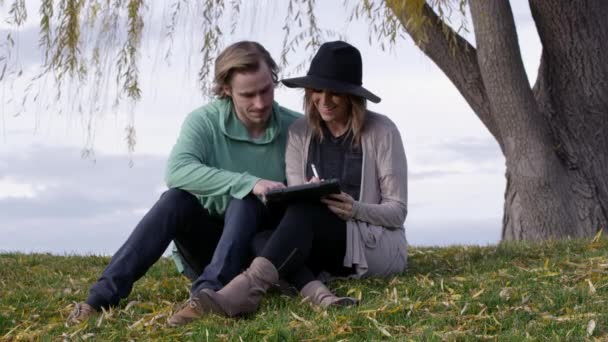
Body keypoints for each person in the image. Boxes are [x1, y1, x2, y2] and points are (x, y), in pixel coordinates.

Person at [67, 41, 300, 325]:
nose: (261, 103)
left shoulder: (296, 128)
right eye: (248, 95)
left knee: (245, 201)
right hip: (208, 246)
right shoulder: (203, 121)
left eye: (266, 90)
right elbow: (177, 171)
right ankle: (98, 299)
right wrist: (250, 182)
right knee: (175, 199)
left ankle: (206, 297)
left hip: (260, 252)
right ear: (226, 90)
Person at [185, 40, 408, 318]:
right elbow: (295, 202)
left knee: (303, 214)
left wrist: (355, 209)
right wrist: (304, 192)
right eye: (317, 90)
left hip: (369, 244)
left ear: (352, 95)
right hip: (319, 242)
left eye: (335, 93)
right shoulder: (300, 132)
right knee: (262, 237)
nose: (324, 101)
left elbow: (397, 212)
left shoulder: (382, 131)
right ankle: (320, 296)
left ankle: (244, 292)